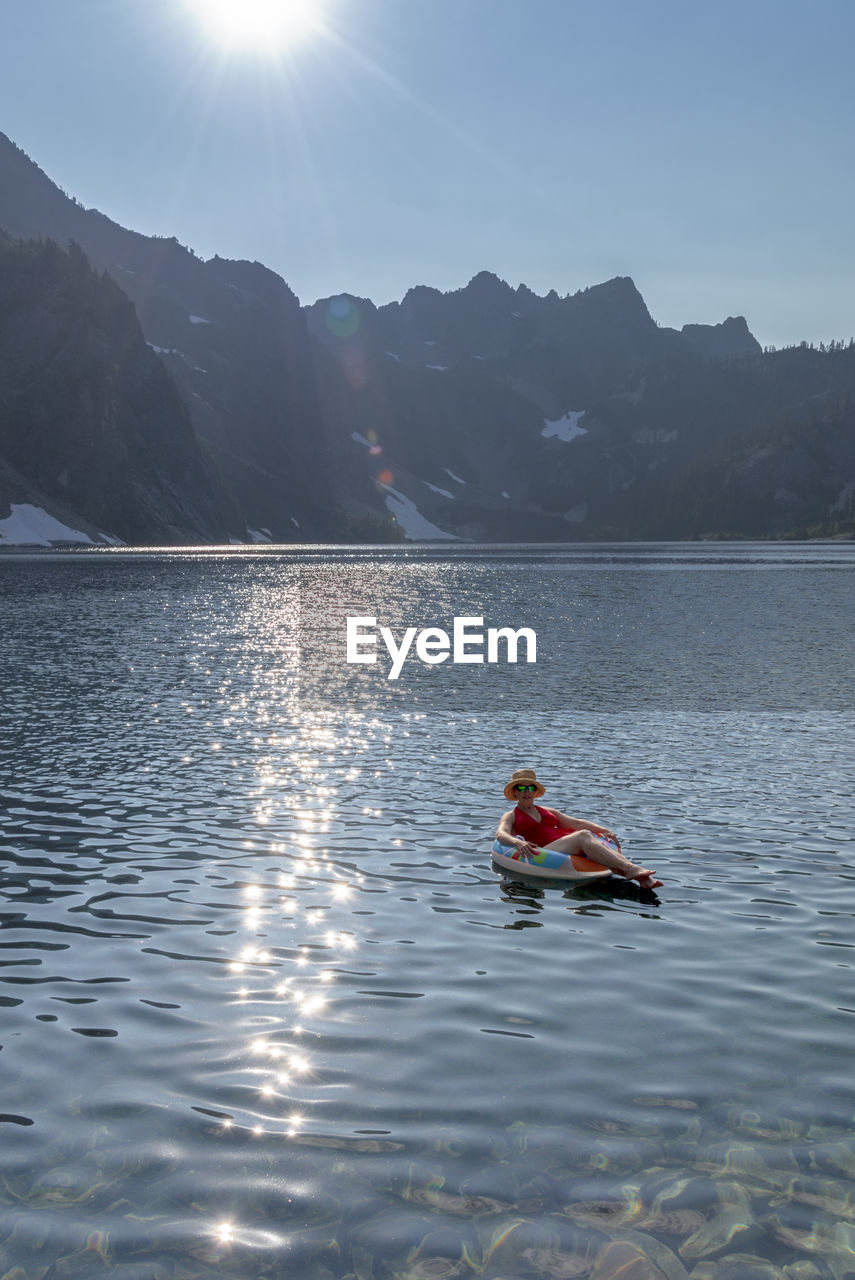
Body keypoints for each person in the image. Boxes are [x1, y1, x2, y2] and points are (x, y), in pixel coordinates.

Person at [496, 768, 662, 889]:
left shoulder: (548, 811)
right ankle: (632, 868)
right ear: (515, 792)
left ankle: (642, 880)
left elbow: (576, 823)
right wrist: (517, 843)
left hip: (565, 845)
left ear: (535, 791)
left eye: (530, 788)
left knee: (589, 838)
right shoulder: (511, 815)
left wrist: (603, 830)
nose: (527, 792)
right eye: (522, 788)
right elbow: (501, 834)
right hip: (544, 850)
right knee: (583, 836)